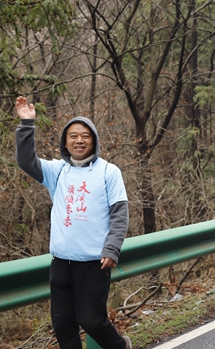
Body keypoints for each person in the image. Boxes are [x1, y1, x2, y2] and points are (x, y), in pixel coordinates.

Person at [14, 97, 132, 349]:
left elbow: (120, 213)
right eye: (73, 136)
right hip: (61, 262)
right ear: (65, 142)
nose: (79, 140)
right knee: (63, 325)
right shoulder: (57, 171)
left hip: (94, 263)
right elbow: (26, 161)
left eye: (85, 136)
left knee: (91, 320)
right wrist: (26, 125)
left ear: (94, 141)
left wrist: (112, 248)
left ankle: (121, 346)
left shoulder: (109, 171)